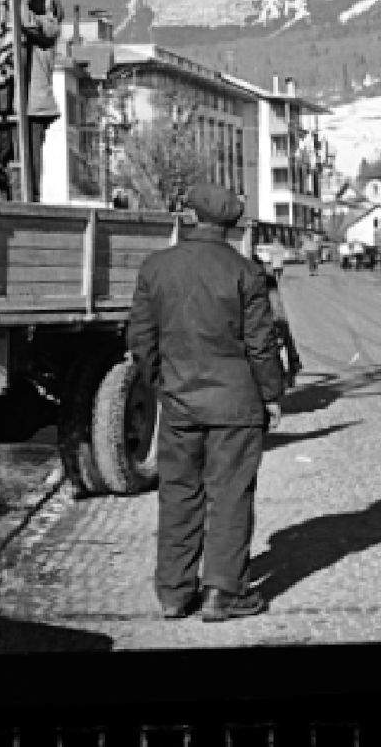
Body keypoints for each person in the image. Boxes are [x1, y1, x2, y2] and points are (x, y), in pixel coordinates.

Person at [128, 180, 286, 624]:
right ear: (230, 223)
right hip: (237, 404)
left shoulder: (156, 267)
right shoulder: (246, 272)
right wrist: (272, 395)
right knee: (231, 494)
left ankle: (175, 594)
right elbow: (261, 345)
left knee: (178, 494)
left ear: (191, 217)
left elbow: (140, 339)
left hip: (180, 403)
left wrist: (162, 383)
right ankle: (222, 593)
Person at [16, 0, 64, 202]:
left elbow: (27, 24)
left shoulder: (50, 26)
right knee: (25, 151)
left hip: (37, 104)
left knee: (32, 153)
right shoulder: (39, 26)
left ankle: (32, 194)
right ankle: (24, 191)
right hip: (29, 102)